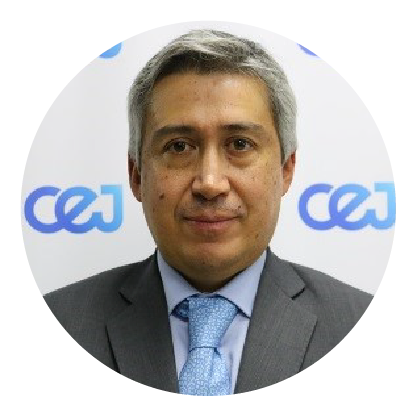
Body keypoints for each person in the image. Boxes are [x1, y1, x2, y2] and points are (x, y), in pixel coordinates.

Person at [44, 29, 373, 396]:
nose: (210, 183)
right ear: (137, 175)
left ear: (285, 170)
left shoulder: (363, 328)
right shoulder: (53, 326)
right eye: (179, 146)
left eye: (240, 144)